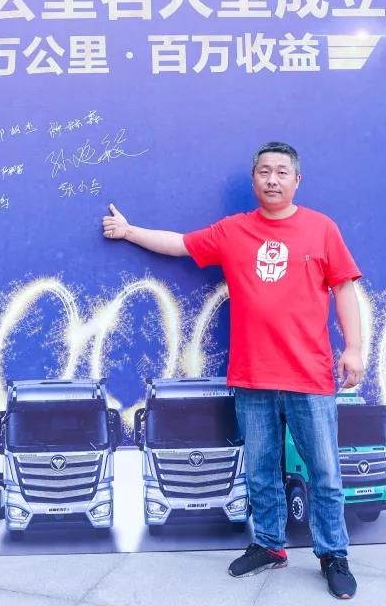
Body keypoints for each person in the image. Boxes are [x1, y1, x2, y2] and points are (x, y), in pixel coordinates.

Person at [101, 142, 363, 600]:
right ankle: (269, 544)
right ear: (254, 178)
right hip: (253, 376)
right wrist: (129, 231)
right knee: (260, 469)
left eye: (282, 172)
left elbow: (343, 288)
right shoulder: (234, 230)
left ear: (297, 180)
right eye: (264, 171)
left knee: (324, 473)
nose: (272, 179)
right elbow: (180, 244)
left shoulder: (322, 229)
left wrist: (355, 348)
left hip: (309, 376)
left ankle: (333, 555)